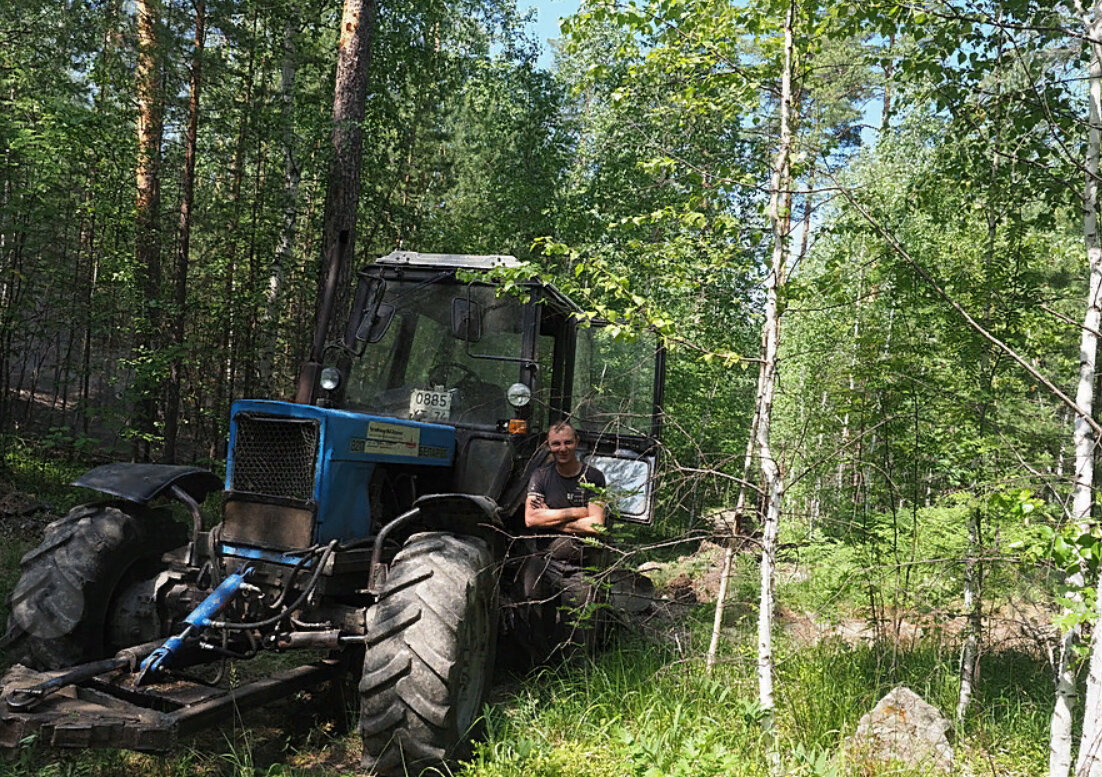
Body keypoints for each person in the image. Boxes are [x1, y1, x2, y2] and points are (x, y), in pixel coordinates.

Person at [517, 420, 607, 661]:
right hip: (543, 561)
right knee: (531, 615)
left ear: (576, 442)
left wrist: (552, 517)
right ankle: (538, 671)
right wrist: (578, 512)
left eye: (567, 442)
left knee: (580, 627)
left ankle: (575, 682)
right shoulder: (541, 476)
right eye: (556, 444)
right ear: (549, 446)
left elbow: (596, 525)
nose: (562, 448)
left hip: (579, 565)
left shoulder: (593, 477)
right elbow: (531, 519)